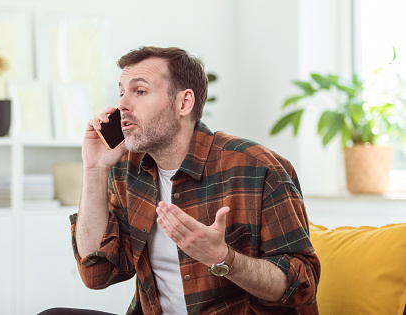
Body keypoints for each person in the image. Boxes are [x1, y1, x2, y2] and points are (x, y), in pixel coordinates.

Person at [66, 47, 319, 314]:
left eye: (140, 91)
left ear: (184, 103)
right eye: (121, 93)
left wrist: (223, 257)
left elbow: (303, 287)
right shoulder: (127, 170)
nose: (122, 106)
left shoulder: (258, 168)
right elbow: (97, 274)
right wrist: (95, 169)